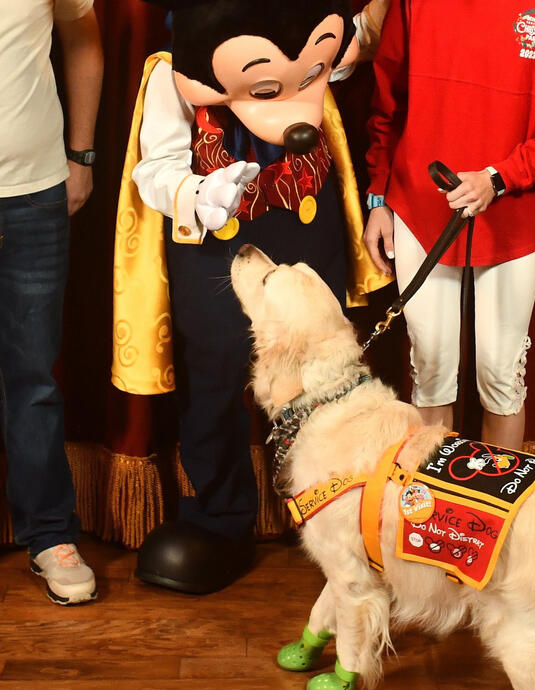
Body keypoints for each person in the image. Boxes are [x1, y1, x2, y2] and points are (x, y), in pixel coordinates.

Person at [113, 0, 390, 594]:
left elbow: (350, 48)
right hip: (220, 243)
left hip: (305, 227)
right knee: (212, 378)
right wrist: (196, 193)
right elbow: (154, 165)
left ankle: (341, 511)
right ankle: (221, 518)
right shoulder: (176, 68)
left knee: (321, 376)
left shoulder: (310, 33)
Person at [364, 1, 535, 449]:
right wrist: (378, 197)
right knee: (431, 368)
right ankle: (430, 511)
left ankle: (494, 514)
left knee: (500, 375)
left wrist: (501, 176)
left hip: (512, 212)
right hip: (420, 208)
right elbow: (387, 103)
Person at [0, 1, 103, 604]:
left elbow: (83, 39)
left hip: (34, 196)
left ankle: (49, 536)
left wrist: (81, 153)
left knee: (33, 380)